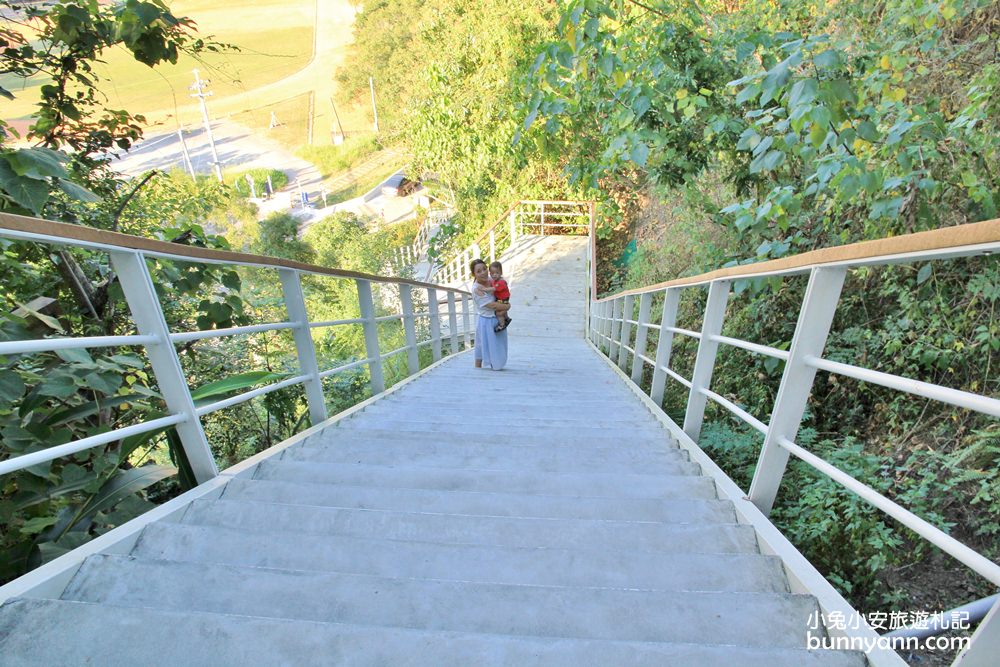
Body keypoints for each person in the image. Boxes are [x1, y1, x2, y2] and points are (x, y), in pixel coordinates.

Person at [470, 258, 510, 370]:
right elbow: (492, 305)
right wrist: (507, 306)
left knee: (498, 345)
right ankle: (481, 369)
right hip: (486, 320)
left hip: (496, 318)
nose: (483, 272)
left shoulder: (490, 279)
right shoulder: (476, 289)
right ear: (474, 274)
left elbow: (502, 288)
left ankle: (496, 365)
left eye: (484, 269)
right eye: (478, 271)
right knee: (485, 346)